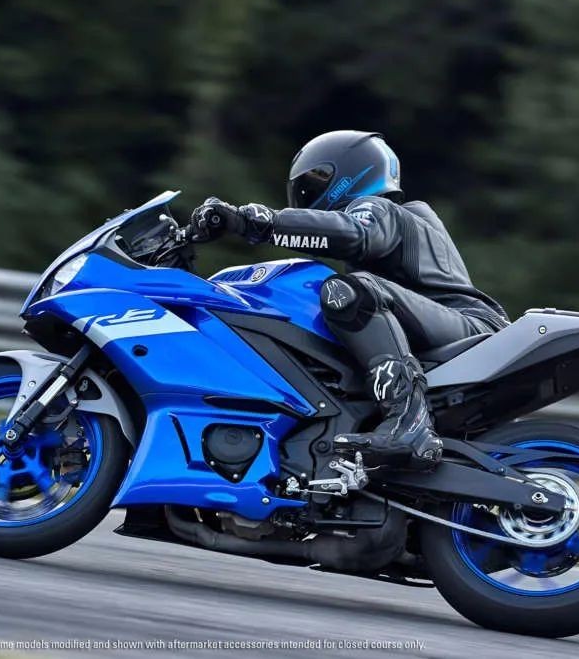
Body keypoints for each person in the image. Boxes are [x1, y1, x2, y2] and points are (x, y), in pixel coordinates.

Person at [188, 130, 509, 469]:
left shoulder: (382, 210)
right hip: (450, 329)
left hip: (471, 325)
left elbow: (355, 233)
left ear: (345, 174)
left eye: (311, 185)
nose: (305, 198)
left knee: (348, 293)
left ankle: (409, 422)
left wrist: (257, 221)